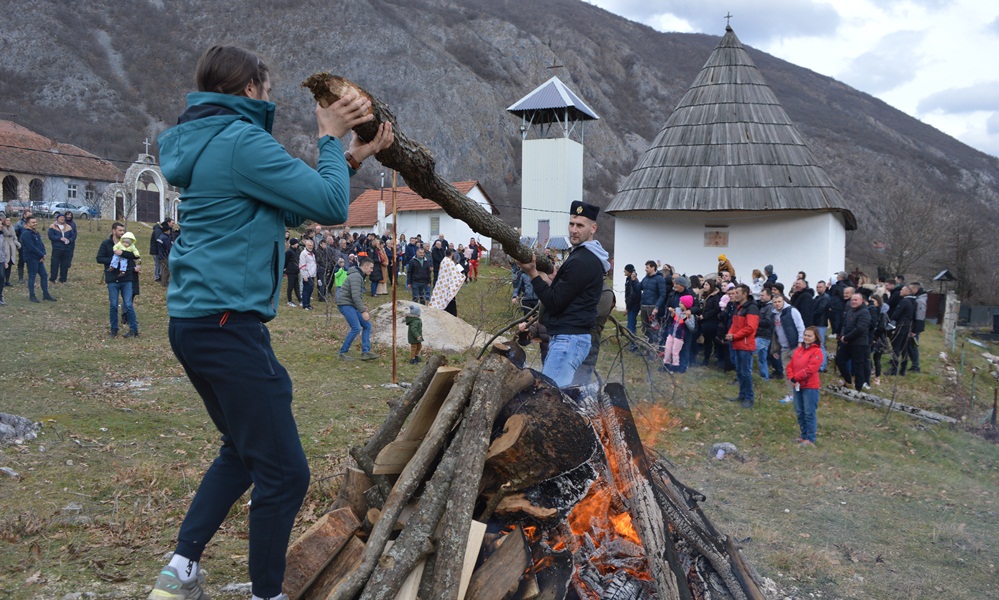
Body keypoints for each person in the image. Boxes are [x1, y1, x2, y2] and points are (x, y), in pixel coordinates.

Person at [151, 44, 393, 600]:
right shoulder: (241, 140)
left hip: (195, 322)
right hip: (226, 323)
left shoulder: (209, 141)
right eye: (265, 88)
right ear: (249, 91)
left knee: (241, 449)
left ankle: (182, 568)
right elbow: (332, 206)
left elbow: (289, 206)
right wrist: (329, 135)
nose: (271, 97)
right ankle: (267, 594)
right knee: (285, 472)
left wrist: (350, 158)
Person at [517, 200, 609, 388]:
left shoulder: (582, 260)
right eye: (571, 224)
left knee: (549, 398)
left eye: (580, 225)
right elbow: (570, 295)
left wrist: (532, 273)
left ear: (593, 228)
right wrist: (554, 280)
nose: (574, 230)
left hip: (568, 340)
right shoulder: (587, 255)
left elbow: (554, 303)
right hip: (571, 338)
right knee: (558, 398)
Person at [96, 222, 140, 337]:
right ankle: (114, 329)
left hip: (127, 278)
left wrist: (122, 254)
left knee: (128, 304)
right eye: (120, 231)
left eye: (123, 231)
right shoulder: (106, 244)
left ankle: (134, 330)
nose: (122, 233)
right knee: (114, 305)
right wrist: (114, 259)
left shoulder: (128, 244)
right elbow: (99, 258)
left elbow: (135, 256)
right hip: (112, 279)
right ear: (113, 231)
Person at [787, 326, 824, 446]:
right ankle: (803, 435)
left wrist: (796, 377)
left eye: (809, 335)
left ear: (815, 337)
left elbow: (811, 369)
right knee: (799, 411)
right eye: (805, 335)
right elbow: (790, 365)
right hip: (797, 385)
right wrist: (791, 377)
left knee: (809, 412)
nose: (806, 337)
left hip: (810, 386)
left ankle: (810, 438)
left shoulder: (817, 352)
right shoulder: (799, 350)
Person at [337, 258, 380, 360]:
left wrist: (361, 307)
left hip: (351, 304)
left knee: (367, 325)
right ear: (365, 266)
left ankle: (366, 352)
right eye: (371, 268)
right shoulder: (356, 276)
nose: (372, 270)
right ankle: (342, 353)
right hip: (345, 304)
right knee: (356, 327)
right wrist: (363, 311)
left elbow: (356, 296)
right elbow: (355, 296)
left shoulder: (359, 276)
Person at [725, 284, 759, 408]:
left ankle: (749, 398)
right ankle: (742, 395)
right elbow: (734, 324)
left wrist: (735, 336)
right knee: (739, 371)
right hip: (737, 343)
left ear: (745, 294)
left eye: (738, 292)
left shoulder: (752, 308)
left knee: (745, 372)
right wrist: (730, 333)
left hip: (745, 344)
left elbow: (751, 327)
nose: (735, 294)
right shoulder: (738, 307)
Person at [771, 292, 805, 403]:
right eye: (775, 302)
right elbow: (775, 333)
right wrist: (775, 349)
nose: (777, 304)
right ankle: (790, 394)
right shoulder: (774, 315)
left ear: (783, 301)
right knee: (787, 372)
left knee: (799, 371)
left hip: (795, 346)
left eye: (779, 301)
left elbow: (800, 326)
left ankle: (802, 393)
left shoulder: (791, 311)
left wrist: (801, 342)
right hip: (784, 348)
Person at [836, 292, 872, 390]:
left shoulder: (865, 312)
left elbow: (860, 329)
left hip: (859, 344)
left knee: (858, 366)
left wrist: (846, 337)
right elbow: (845, 325)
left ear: (862, 301)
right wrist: (843, 336)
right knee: (839, 360)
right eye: (852, 300)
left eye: (856, 300)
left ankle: (858, 388)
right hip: (847, 342)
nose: (853, 302)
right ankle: (848, 381)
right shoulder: (850, 311)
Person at [19, 215, 56, 303]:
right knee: (32, 276)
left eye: (36, 222)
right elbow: (31, 247)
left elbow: (41, 244)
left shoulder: (36, 233)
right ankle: (32, 296)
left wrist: (43, 254)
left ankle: (46, 294)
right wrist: (41, 255)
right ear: (27, 224)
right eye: (33, 222)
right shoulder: (26, 234)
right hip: (31, 258)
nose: (35, 224)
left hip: (39, 258)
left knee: (44, 275)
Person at [662, 295, 695, 370]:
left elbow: (692, 327)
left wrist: (686, 319)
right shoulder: (677, 310)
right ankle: (666, 364)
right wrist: (672, 313)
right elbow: (672, 317)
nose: (679, 304)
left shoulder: (690, 315)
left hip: (679, 336)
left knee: (675, 352)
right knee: (667, 349)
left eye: (681, 303)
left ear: (686, 304)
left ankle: (675, 366)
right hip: (671, 334)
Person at [639, 260, 668, 345]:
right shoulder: (646, 278)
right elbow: (639, 288)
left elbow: (662, 294)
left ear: (653, 268)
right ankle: (647, 347)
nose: (645, 269)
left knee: (654, 328)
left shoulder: (660, 279)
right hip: (644, 305)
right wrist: (633, 281)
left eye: (647, 267)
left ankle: (654, 348)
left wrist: (657, 307)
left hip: (652, 307)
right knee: (645, 328)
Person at [47, 212, 75, 284]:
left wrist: (69, 240)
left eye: (63, 218)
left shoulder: (68, 227)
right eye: (60, 218)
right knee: (55, 264)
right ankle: (53, 279)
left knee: (65, 265)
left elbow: (73, 236)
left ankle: (63, 279)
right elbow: (51, 236)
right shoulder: (53, 226)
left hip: (66, 248)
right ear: (57, 219)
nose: (62, 219)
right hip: (57, 248)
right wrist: (59, 238)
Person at [623, 264, 642, 339]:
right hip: (633, 305)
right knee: (630, 325)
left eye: (625, 270)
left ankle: (633, 345)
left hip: (633, 306)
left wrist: (628, 307)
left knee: (630, 326)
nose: (624, 271)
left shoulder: (632, 280)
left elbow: (631, 295)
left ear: (628, 271)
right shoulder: (629, 279)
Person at [1, 212, 18, 289]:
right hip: (4, 248)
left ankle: (7, 280)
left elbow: (14, 237)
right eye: (7, 220)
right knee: (4, 264)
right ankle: (2, 280)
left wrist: (16, 243)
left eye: (9, 220)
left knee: (10, 264)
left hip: (11, 248)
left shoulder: (11, 228)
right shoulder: (2, 230)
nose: (8, 222)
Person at [299, 239, 317, 310]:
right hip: (307, 275)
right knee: (306, 290)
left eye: (312, 245)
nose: (311, 247)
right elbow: (302, 265)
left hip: (312, 275)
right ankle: (305, 305)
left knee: (310, 290)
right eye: (309, 245)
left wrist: (314, 273)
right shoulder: (303, 253)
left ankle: (308, 304)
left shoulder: (312, 253)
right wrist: (304, 275)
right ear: (306, 245)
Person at [157, 221, 175, 287]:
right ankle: (164, 282)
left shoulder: (161, 236)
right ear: (167, 231)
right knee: (165, 270)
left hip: (161, 255)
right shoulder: (165, 237)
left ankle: (164, 282)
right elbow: (168, 246)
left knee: (164, 269)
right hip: (165, 256)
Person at [284, 237, 302, 307]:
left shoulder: (296, 251)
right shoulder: (289, 252)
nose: (297, 244)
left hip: (296, 271)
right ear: (293, 244)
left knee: (296, 287)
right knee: (290, 287)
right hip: (290, 271)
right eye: (296, 243)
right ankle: (289, 301)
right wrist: (285, 270)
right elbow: (286, 261)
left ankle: (300, 300)